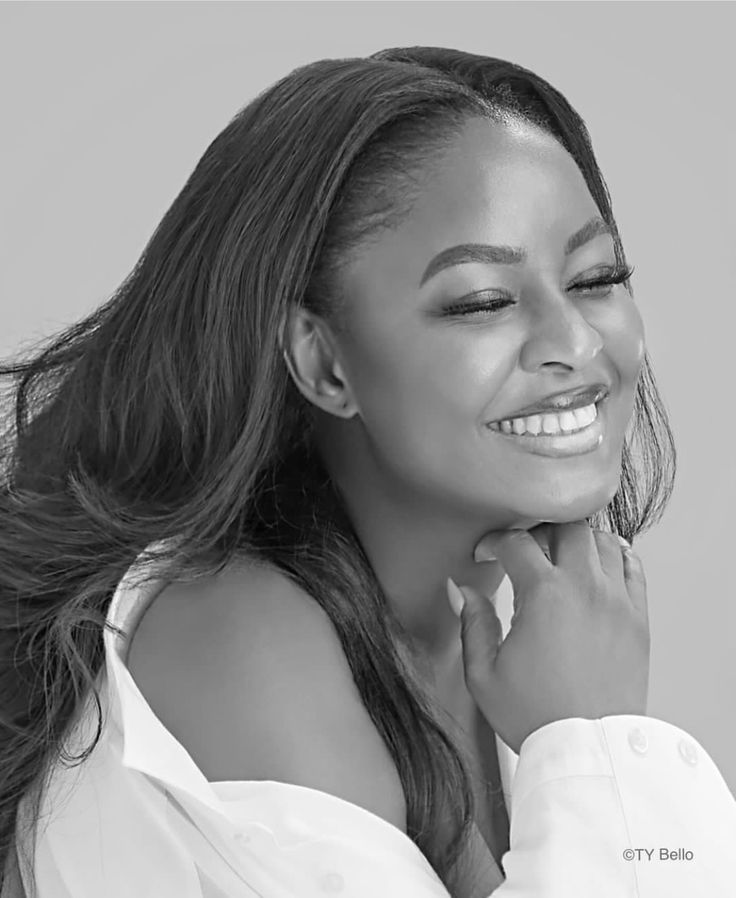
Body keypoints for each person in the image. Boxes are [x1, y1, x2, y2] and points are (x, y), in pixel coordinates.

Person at [0, 45, 734, 898]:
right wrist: (596, 745)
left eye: (595, 277)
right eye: (482, 301)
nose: (575, 344)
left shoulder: (483, 642)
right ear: (323, 363)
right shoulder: (244, 642)